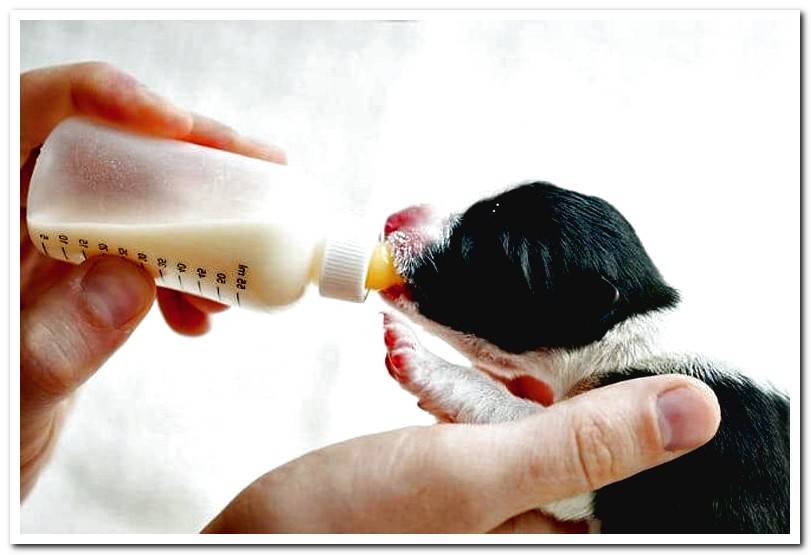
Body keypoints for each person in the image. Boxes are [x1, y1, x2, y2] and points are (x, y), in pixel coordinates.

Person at [20, 62, 722, 534]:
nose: (411, 227)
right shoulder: (622, 339)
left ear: (586, 304)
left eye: (482, 245)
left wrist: (452, 383)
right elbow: (544, 450)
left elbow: (567, 479)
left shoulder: (665, 386)